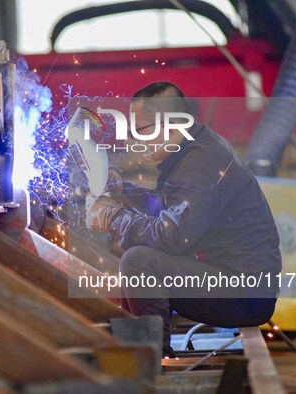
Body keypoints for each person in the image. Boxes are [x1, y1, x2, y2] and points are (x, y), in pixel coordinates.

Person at [85, 82, 281, 354]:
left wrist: (112, 218)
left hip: (244, 293)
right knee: (139, 259)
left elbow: (170, 236)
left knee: (138, 262)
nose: (134, 141)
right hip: (234, 281)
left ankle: (151, 357)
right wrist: (123, 189)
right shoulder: (194, 149)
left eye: (140, 131)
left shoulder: (199, 167)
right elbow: (172, 214)